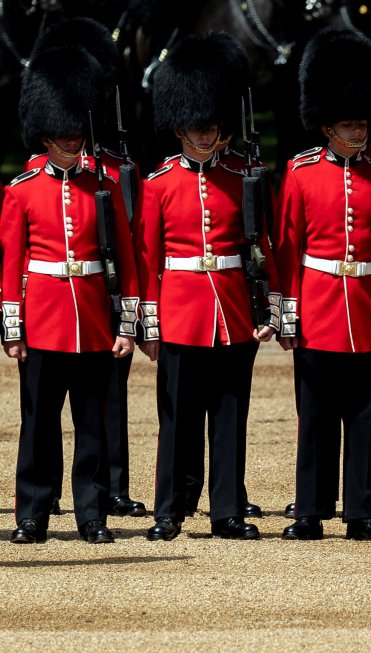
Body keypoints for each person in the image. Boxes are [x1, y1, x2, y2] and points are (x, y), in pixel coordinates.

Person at [135, 32, 281, 542]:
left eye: (214, 124)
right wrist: (148, 324)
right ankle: (169, 510)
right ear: (180, 128)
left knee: (229, 416)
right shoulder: (159, 184)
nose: (209, 132)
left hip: (234, 310)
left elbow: (264, 249)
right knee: (176, 420)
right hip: (179, 311)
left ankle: (227, 511)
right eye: (199, 125)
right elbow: (149, 260)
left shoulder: (245, 175)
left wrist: (270, 310)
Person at [275, 27, 371, 541]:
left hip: (370, 306)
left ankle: (361, 511)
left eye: (361, 124)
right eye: (347, 126)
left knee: (365, 415)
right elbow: (288, 248)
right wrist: (287, 311)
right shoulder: (301, 172)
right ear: (325, 127)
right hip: (318, 305)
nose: (357, 134)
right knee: (313, 417)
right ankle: (309, 511)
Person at [2, 45, 140, 544]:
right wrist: (13, 330)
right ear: (45, 136)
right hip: (42, 320)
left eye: (77, 137)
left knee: (92, 425)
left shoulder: (102, 185)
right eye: (64, 139)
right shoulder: (21, 190)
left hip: (93, 321)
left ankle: (92, 513)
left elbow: (124, 259)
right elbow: (11, 264)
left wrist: (126, 324)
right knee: (38, 424)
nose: (73, 144)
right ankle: (33, 514)